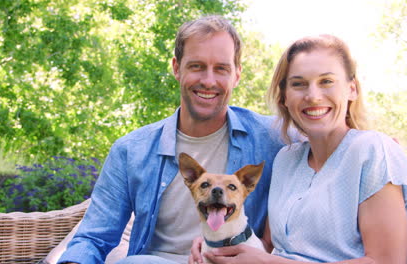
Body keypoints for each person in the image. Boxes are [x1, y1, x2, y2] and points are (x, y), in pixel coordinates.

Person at [57, 15, 289, 264]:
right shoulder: (131, 150)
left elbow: (329, 140)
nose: (208, 81)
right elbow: (94, 237)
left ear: (237, 74)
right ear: (177, 68)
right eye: (197, 66)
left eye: (221, 68)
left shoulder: (275, 137)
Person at [196, 34, 407, 263]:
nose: (313, 96)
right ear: (284, 98)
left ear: (352, 89)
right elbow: (268, 246)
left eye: (326, 81)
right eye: (299, 84)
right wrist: (216, 241)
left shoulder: (373, 151)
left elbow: (386, 261)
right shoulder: (286, 158)